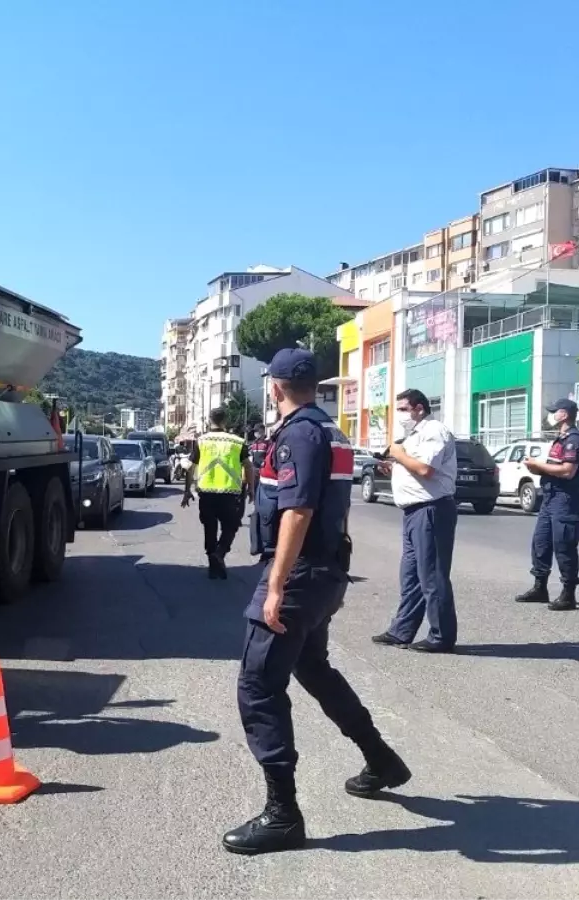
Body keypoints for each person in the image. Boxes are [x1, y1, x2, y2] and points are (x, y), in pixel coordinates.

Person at [224, 348, 410, 856]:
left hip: (302, 572)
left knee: (258, 685)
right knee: (315, 670)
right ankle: (382, 760)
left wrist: (278, 586)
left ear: (276, 387)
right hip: (324, 570)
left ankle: (282, 814)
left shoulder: (300, 434)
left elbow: (298, 510)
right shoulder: (330, 430)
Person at [371, 388, 459, 653]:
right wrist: (393, 465)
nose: (399, 415)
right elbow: (414, 467)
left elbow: (425, 469)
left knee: (431, 575)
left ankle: (441, 636)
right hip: (413, 512)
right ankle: (402, 630)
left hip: (431, 510)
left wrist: (397, 454)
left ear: (419, 408)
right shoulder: (413, 435)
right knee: (411, 576)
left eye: (402, 409)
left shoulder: (434, 430)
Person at [513, 399, 579, 611]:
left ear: (564, 414)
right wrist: (535, 467)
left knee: (563, 545)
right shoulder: (560, 439)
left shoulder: (574, 440)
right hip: (549, 497)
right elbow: (552, 468)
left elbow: (567, 471)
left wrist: (539, 465)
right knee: (541, 543)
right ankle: (540, 587)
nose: (551, 415)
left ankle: (568, 594)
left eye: (554, 411)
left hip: (565, 499)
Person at [182, 407, 254, 579]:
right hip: (230, 493)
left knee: (210, 527)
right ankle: (220, 553)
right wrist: (251, 487)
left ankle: (213, 565)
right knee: (231, 525)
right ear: (225, 421)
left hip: (206, 492)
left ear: (209, 420)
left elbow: (190, 467)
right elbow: (249, 465)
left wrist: (187, 491)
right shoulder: (237, 441)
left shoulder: (202, 440)